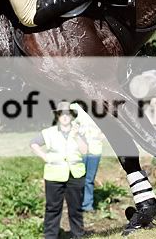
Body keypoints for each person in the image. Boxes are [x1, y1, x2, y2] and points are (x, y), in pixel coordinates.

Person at [30, 101, 88, 239]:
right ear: (57, 116)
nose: (65, 117)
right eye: (62, 114)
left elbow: (85, 151)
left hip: (75, 174)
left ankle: (78, 235)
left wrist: (76, 136)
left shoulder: (79, 132)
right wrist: (44, 156)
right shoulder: (48, 132)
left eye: (68, 114)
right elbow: (33, 143)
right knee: (53, 208)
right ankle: (50, 236)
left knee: (76, 208)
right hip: (54, 175)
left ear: (72, 116)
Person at [70, 104, 103, 212]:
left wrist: (101, 136)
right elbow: (70, 124)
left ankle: (87, 205)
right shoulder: (75, 107)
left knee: (89, 179)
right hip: (80, 149)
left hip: (95, 149)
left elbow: (106, 128)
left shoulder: (99, 108)